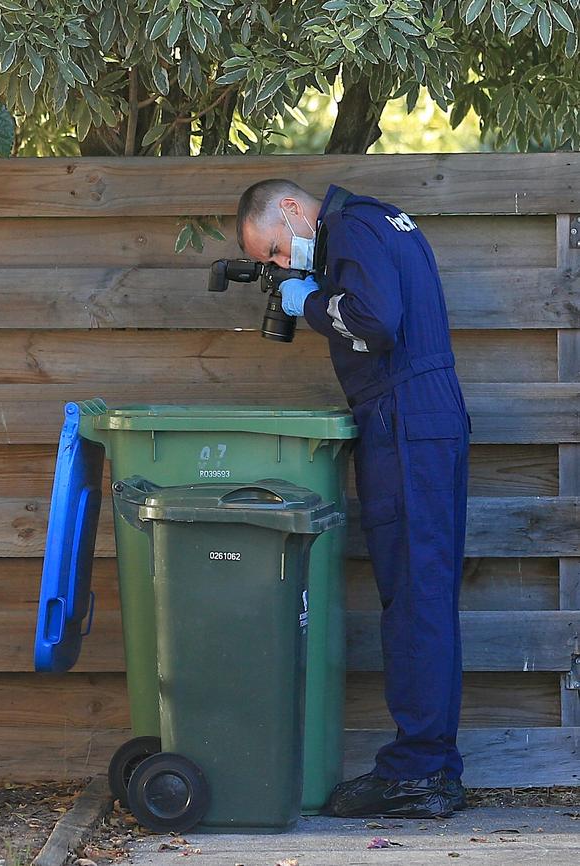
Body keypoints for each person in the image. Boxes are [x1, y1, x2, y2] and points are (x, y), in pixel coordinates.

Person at [236, 179, 471, 819]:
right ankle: (431, 768)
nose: (283, 265)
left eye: (278, 251)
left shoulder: (351, 230)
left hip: (406, 420)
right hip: (420, 417)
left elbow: (373, 321)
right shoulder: (379, 219)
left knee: (415, 597)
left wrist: (311, 303)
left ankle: (419, 772)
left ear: (291, 209)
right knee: (423, 594)